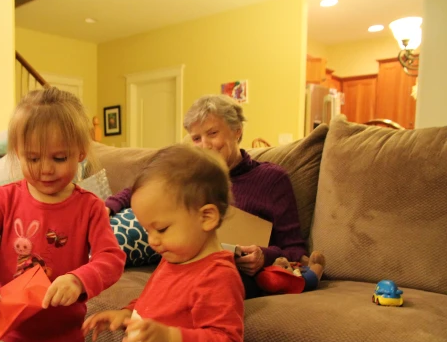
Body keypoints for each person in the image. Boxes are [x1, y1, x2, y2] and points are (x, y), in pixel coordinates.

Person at [85, 144, 244, 342]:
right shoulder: (175, 258)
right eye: (147, 230)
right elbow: (156, 301)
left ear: (207, 217)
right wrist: (127, 313)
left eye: (161, 228)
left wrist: (169, 339)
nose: (152, 241)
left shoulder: (217, 276)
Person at [0, 88, 126, 342]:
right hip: (8, 330)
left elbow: (111, 258)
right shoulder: (4, 198)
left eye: (59, 158)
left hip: (63, 338)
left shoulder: (90, 207)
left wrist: (79, 280)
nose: (45, 169)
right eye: (33, 159)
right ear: (17, 154)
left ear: (81, 153)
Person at [105, 95, 307, 298]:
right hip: (185, 265)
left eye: (212, 133)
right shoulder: (191, 172)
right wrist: (107, 208)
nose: (205, 145)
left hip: (234, 275)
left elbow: (295, 250)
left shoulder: (272, 179)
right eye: (196, 138)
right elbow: (140, 188)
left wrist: (264, 256)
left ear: (237, 131)